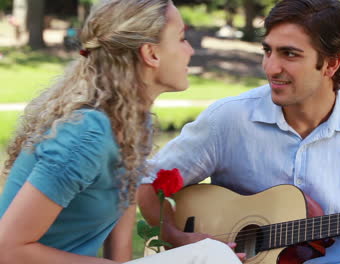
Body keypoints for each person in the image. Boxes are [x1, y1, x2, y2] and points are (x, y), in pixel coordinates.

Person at [137, 0, 340, 263]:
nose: (271, 68)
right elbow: (148, 185)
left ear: (331, 63)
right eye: (268, 51)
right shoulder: (229, 119)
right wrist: (179, 238)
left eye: (289, 54)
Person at [0, 1, 241, 264]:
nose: (190, 50)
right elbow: (9, 250)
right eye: (182, 38)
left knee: (214, 255)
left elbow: (121, 233)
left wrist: (178, 240)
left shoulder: (134, 124)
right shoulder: (86, 136)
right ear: (151, 53)